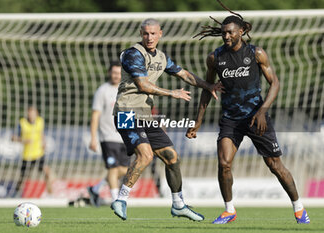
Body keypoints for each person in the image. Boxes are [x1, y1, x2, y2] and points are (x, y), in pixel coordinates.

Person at [186, 7, 310, 224]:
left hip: (256, 117)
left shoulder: (256, 53)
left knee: (275, 165)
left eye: (231, 32)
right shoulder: (215, 57)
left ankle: (299, 208)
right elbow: (209, 89)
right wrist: (197, 122)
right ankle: (229, 210)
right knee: (224, 163)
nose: (226, 36)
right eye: (224, 32)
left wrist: (262, 111)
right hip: (230, 119)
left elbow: (275, 83)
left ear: (241, 31)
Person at [111, 18, 223, 221]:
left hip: (144, 114)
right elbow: (143, 85)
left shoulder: (161, 57)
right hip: (126, 112)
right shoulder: (132, 54)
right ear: (140, 33)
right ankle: (121, 199)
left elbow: (184, 74)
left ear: (160, 34)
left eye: (153, 33)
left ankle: (178, 204)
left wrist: (208, 86)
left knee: (172, 157)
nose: (149, 37)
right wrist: (172, 93)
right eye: (146, 33)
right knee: (145, 156)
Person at [87, 61, 131, 206]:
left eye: (119, 73)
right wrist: (93, 138)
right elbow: (95, 115)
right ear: (109, 73)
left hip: (124, 137)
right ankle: (116, 200)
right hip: (107, 137)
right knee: (112, 168)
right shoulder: (103, 91)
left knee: (125, 170)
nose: (116, 75)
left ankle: (96, 188)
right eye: (114, 72)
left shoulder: (126, 90)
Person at [12, 106, 53, 197]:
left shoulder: (40, 121)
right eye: (30, 113)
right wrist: (23, 140)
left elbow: (41, 133)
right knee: (23, 177)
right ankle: (17, 193)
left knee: (47, 171)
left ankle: (50, 194)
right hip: (27, 155)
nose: (31, 115)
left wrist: (44, 142)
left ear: (37, 114)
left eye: (33, 113)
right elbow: (13, 137)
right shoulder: (22, 123)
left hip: (39, 153)